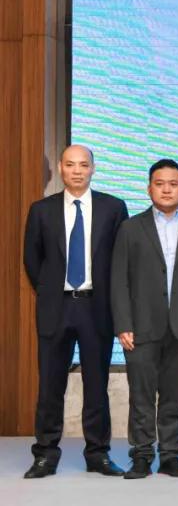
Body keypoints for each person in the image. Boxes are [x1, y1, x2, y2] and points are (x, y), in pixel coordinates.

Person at [22, 145, 129, 478]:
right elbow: (32, 260)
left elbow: (122, 260)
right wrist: (51, 290)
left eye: (84, 165)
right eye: (70, 165)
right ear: (60, 168)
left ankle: (97, 454)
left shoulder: (114, 208)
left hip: (97, 308)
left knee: (96, 385)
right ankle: (45, 454)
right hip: (57, 307)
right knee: (50, 386)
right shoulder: (41, 210)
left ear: (93, 168)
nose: (77, 171)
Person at [111, 159, 178, 478]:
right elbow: (119, 280)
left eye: (173, 184)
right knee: (140, 397)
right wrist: (123, 324)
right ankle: (141, 456)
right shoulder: (130, 228)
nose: (166, 189)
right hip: (140, 327)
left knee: (173, 396)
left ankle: (170, 456)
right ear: (148, 188)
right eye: (160, 183)